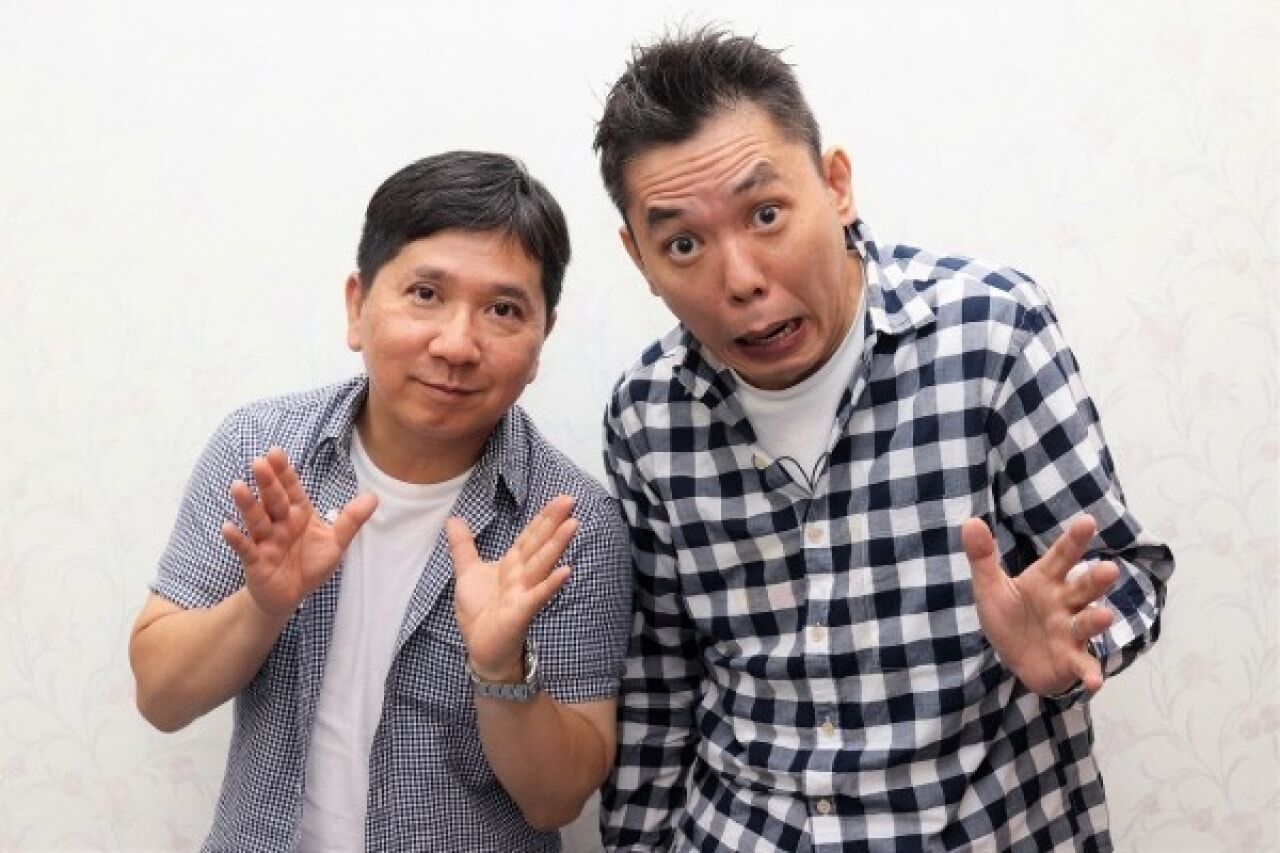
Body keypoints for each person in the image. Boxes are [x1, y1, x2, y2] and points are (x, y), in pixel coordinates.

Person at [593, 29, 1173, 852]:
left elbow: (1128, 574)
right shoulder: (646, 413)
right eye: (683, 243)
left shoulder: (991, 331)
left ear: (836, 186)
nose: (742, 279)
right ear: (641, 258)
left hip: (975, 825)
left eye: (766, 214)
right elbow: (663, 681)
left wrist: (1077, 639)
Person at [129, 151, 632, 853]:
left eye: (503, 310)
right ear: (357, 306)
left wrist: (501, 668)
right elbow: (160, 697)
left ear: (541, 339)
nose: (456, 344)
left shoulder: (570, 524)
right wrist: (263, 606)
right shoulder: (262, 452)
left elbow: (556, 800)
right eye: (426, 293)